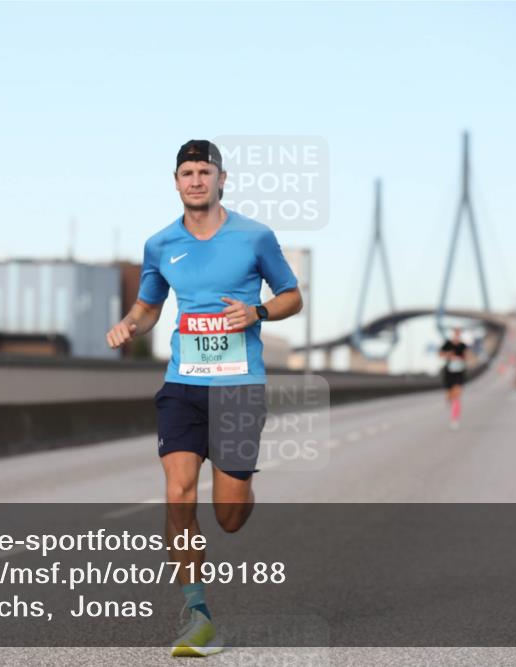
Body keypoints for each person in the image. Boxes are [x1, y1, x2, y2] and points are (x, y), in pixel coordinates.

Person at [106, 139, 302, 657]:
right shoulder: (160, 244)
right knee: (178, 493)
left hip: (239, 387)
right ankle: (199, 616)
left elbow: (292, 296)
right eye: (187, 172)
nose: (196, 180)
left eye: (204, 171)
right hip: (183, 386)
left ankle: (242, 483)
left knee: (229, 517)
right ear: (176, 182)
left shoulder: (255, 237)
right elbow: (149, 306)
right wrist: (130, 324)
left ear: (221, 179)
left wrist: (258, 312)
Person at [438, 327, 467, 430]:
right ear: (453, 334)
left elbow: (467, 356)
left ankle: (455, 418)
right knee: (450, 395)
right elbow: (440, 354)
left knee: (457, 395)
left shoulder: (463, 345)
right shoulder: (447, 344)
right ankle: (449, 400)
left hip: (459, 372)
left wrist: (461, 358)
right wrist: (449, 355)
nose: (457, 335)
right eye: (456, 333)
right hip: (449, 373)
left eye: (459, 333)